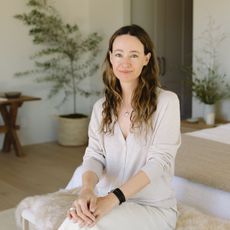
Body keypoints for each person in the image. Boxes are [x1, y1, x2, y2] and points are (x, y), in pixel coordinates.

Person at [58, 24, 181, 230]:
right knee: (74, 223)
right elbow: (94, 156)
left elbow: (160, 162)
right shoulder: (101, 108)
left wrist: (112, 199)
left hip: (151, 208)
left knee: (90, 226)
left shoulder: (166, 102)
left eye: (134, 55)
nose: (125, 62)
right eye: (119, 54)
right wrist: (86, 190)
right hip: (108, 201)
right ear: (111, 58)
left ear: (146, 59)